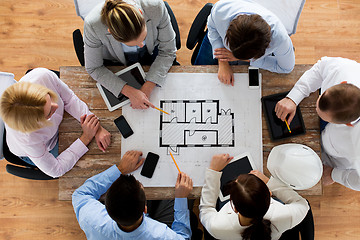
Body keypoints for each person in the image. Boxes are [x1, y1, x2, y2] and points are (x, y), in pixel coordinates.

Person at [0, 68, 111, 178]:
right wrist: (86, 137)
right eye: (49, 113)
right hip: (44, 146)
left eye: (50, 97)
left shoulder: (42, 76)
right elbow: (56, 170)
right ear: (37, 124)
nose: (57, 105)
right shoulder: (28, 139)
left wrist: (96, 127)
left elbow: (70, 99)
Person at [275, 57, 360, 191]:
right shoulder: (344, 69)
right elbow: (320, 69)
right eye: (321, 96)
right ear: (342, 82)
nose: (315, 107)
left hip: (332, 160)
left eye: (326, 117)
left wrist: (334, 175)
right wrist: (294, 97)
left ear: (348, 124)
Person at [72, 150, 193, 239]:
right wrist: (181, 198)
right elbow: (184, 237)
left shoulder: (93, 220)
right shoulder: (161, 235)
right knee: (178, 196)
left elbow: (80, 194)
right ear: (145, 209)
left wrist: (120, 169)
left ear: (106, 208)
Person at [84, 0, 176, 109]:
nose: (141, 45)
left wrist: (149, 85)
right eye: (132, 44)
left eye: (143, 38)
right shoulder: (93, 25)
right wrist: (129, 92)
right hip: (116, 61)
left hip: (151, 55)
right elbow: (94, 68)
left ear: (141, 13)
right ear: (111, 33)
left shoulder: (155, 7)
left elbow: (168, 51)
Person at [200, 154, 309, 240]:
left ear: (234, 208)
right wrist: (268, 181)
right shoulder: (286, 216)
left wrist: (213, 172)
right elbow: (302, 204)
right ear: (270, 193)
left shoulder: (217, 227)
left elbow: (206, 210)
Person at [194, 0, 295, 85]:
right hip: (221, 41)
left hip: (251, 55)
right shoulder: (221, 10)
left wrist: (249, 60)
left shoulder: (280, 39)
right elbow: (212, 27)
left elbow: (286, 68)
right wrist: (223, 62)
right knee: (197, 77)